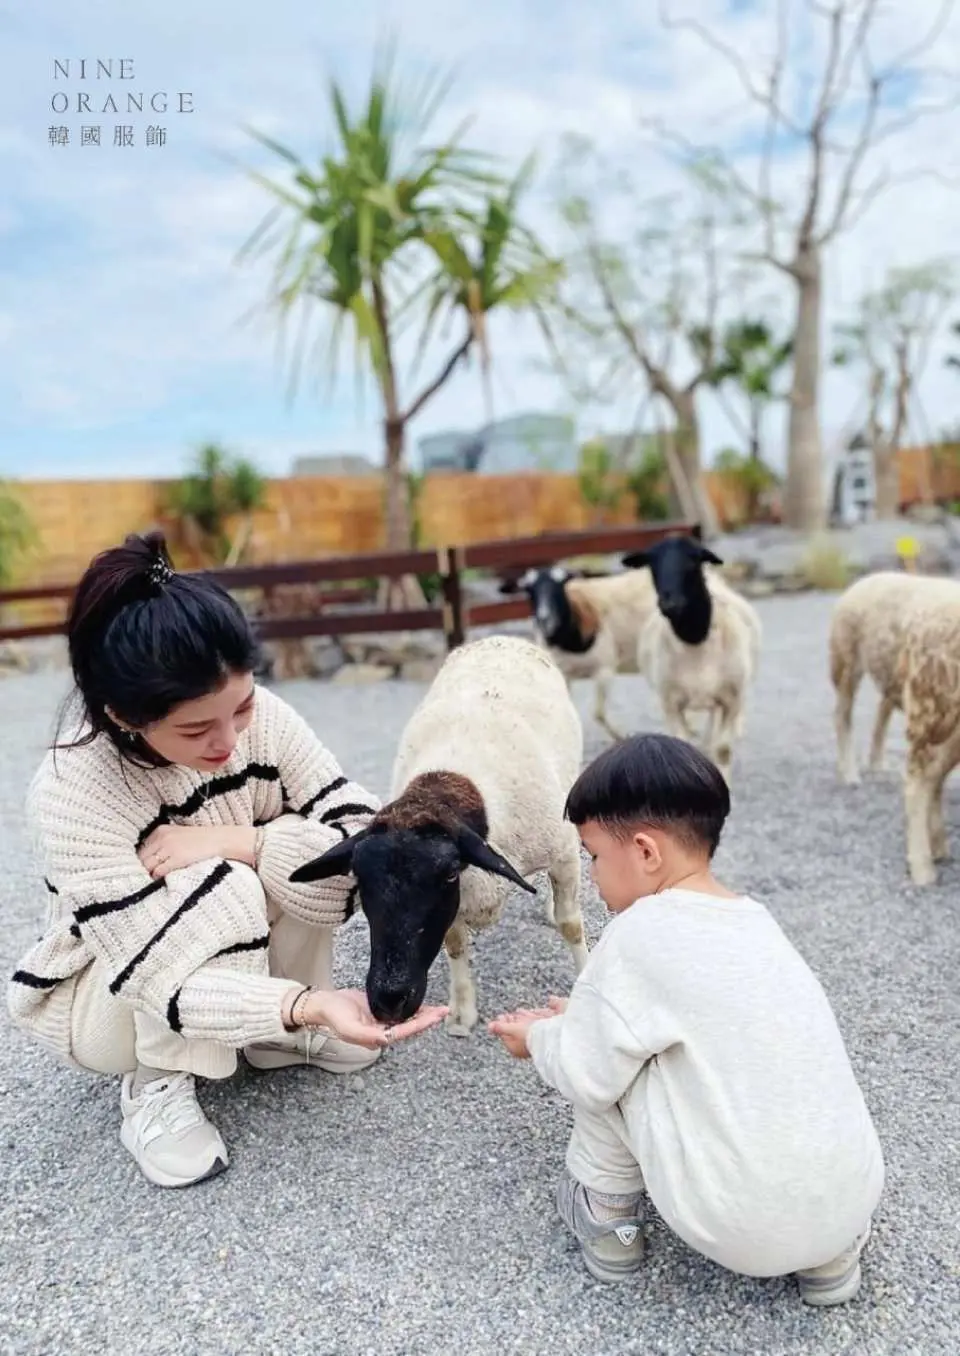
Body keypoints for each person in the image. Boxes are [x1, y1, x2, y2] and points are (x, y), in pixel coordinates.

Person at [8, 531, 447, 1189]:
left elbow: (362, 840)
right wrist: (306, 1004)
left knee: (270, 854)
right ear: (124, 715)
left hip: (217, 954)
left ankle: (268, 1037)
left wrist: (250, 841)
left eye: (240, 706)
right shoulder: (74, 790)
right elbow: (155, 978)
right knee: (223, 885)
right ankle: (157, 1083)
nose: (227, 741)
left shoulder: (258, 717)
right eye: (195, 729)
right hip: (112, 995)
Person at [488, 733, 885, 1307]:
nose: (593, 876)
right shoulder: (757, 924)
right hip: (850, 1204)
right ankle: (828, 1259)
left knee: (604, 1062)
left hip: (737, 1227)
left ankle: (609, 1221)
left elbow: (586, 1070)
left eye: (594, 856)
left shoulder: (636, 934)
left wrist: (542, 1037)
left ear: (646, 853)